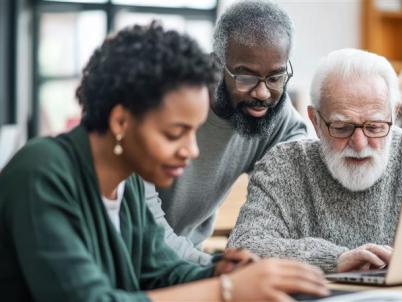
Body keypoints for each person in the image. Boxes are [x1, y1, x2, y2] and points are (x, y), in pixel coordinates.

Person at [0, 22, 329, 301]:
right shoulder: (41, 173)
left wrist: (218, 269)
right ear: (120, 122)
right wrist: (225, 289)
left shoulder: (125, 180)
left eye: (193, 132)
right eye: (175, 133)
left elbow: (159, 268)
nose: (192, 150)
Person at [227, 49, 402, 273]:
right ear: (315, 121)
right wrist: (333, 259)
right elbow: (244, 246)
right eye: (342, 128)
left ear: (394, 113)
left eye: (375, 127)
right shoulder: (284, 166)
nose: (360, 144)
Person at [145, 0, 310, 265]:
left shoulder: (275, 114)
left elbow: (305, 177)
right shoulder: (164, 104)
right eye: (245, 77)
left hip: (193, 263)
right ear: (215, 65)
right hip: (140, 263)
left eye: (276, 77)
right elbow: (146, 234)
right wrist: (217, 268)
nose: (262, 93)